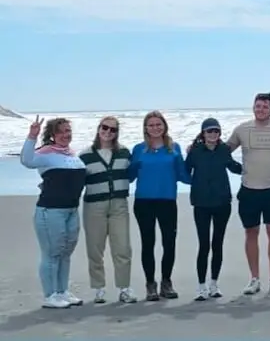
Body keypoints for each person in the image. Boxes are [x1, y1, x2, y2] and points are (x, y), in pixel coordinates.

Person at [226, 92, 270, 296]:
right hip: (249, 189)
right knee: (251, 232)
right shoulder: (242, 129)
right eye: (257, 106)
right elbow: (224, 150)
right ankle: (254, 279)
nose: (260, 109)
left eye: (265, 106)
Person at [20, 116, 87, 309]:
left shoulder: (72, 154)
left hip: (72, 211)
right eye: (61, 131)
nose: (66, 135)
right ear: (52, 134)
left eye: (68, 131)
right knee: (52, 253)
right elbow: (27, 160)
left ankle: (62, 291)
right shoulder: (45, 153)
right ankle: (50, 295)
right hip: (50, 211)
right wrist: (32, 136)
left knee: (65, 253)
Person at [129, 110, 191, 301]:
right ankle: (150, 284)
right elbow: (129, 176)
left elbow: (184, 176)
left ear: (164, 126)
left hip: (167, 201)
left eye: (158, 124)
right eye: (151, 125)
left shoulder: (174, 148)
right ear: (145, 128)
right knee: (148, 243)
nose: (155, 128)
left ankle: (166, 282)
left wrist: (205, 172)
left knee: (169, 243)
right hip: (144, 202)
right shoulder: (139, 149)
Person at [79, 116, 137, 304]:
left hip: (119, 205)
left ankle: (124, 288)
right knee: (95, 248)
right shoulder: (85, 156)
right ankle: (99, 289)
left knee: (122, 248)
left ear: (117, 133)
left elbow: (137, 170)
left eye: (113, 130)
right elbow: (75, 182)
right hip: (94, 207)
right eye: (105, 128)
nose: (108, 132)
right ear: (98, 129)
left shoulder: (125, 153)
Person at [186, 118, 243, 300]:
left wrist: (254, 166)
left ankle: (214, 284)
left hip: (222, 203)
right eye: (209, 131)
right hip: (201, 203)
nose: (212, 134)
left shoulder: (224, 150)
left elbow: (234, 167)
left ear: (219, 134)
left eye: (216, 131)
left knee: (217, 243)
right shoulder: (195, 152)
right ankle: (201, 286)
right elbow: (185, 172)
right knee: (204, 245)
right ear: (203, 133)